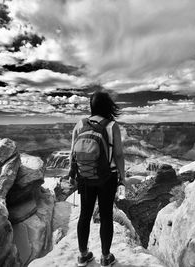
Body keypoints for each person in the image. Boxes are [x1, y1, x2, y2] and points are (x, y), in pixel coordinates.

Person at [68, 91, 125, 267]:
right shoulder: (112, 125)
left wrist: (72, 174)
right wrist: (122, 177)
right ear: (108, 106)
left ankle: (83, 255)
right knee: (106, 216)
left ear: (91, 106)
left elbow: (72, 152)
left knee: (84, 215)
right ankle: (106, 257)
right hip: (107, 177)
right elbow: (119, 155)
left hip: (85, 176)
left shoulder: (80, 123)